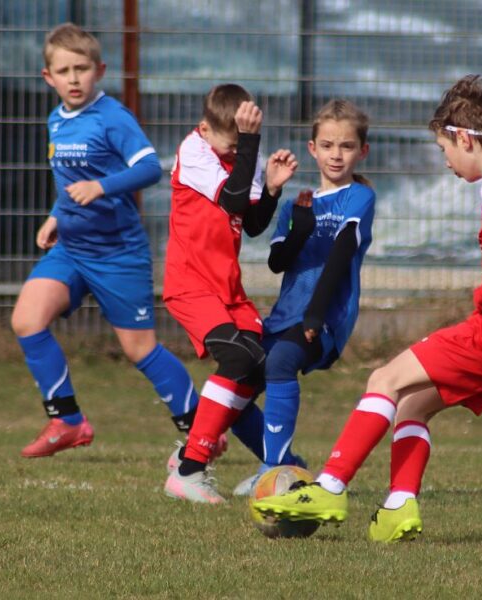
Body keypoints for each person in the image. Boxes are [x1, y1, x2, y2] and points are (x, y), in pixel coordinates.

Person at [251, 75, 482, 542]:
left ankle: (328, 489)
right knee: (413, 405)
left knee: (383, 380)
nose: (446, 161)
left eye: (445, 149)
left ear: (465, 138)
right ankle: (398, 508)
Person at [11, 22, 204, 458]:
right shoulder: (56, 119)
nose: (73, 79)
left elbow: (149, 167)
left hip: (118, 253)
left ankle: (200, 431)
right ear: (48, 77)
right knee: (26, 320)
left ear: (99, 70)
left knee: (139, 349)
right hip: (71, 249)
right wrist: (56, 216)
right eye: (64, 71)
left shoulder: (113, 117)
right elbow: (70, 180)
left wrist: (101, 187)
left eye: (81, 69)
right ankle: (68, 421)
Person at [231, 99, 376, 497]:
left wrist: (315, 314)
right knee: (233, 393)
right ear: (312, 148)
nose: (336, 154)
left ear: (362, 151)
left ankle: (273, 470)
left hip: (325, 316)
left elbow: (342, 252)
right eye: (327, 145)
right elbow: (277, 262)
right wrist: (300, 228)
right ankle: (289, 464)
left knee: (281, 361)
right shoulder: (299, 202)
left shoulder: (359, 197)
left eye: (346, 146)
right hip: (285, 315)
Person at [162, 83, 299, 503]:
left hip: (228, 288)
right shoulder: (194, 150)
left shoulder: (243, 153)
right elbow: (233, 198)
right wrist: (250, 145)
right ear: (204, 129)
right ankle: (189, 471)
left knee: (259, 368)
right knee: (239, 358)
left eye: (241, 145)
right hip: (191, 284)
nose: (237, 152)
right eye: (232, 144)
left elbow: (251, 223)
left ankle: (272, 467)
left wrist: (272, 189)